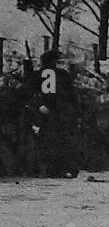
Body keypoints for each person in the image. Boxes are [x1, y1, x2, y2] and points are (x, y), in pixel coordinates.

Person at [33, 49, 81, 178]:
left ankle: (50, 168)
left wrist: (39, 105)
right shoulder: (62, 74)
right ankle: (65, 168)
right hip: (61, 110)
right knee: (63, 139)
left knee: (47, 139)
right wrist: (76, 111)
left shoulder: (36, 74)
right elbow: (72, 95)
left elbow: (28, 92)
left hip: (44, 110)